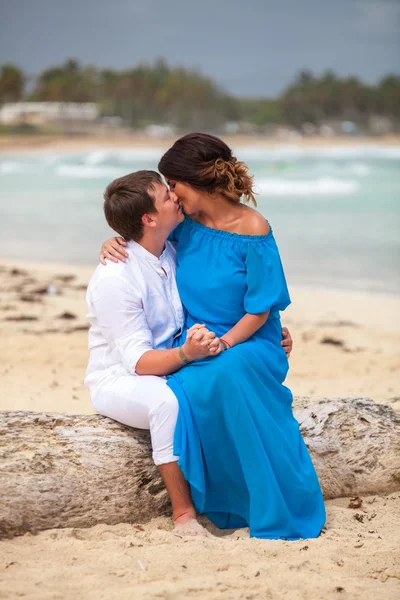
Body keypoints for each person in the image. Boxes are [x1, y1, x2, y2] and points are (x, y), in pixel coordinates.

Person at [102, 133, 325, 540]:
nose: (170, 194)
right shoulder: (182, 226)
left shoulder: (253, 227)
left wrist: (227, 343)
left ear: (194, 181)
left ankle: (277, 502)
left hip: (248, 339)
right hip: (199, 342)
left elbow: (260, 308)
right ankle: (230, 500)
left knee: (229, 370)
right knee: (189, 386)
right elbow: (144, 238)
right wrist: (114, 241)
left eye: (173, 185)